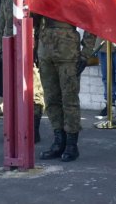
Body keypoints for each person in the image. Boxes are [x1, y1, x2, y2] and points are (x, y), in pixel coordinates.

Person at [0, 0, 45, 143]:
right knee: (13, 89)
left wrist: (39, 46)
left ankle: (34, 127)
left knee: (34, 89)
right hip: (12, 43)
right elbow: (3, 18)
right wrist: (0, 44)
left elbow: (41, 22)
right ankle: (16, 127)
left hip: (32, 44)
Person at [36, 15, 95, 162]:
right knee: (51, 99)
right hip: (45, 48)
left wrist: (86, 53)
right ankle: (58, 140)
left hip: (67, 50)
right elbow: (35, 20)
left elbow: (91, 20)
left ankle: (71, 144)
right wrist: (35, 46)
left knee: (69, 100)